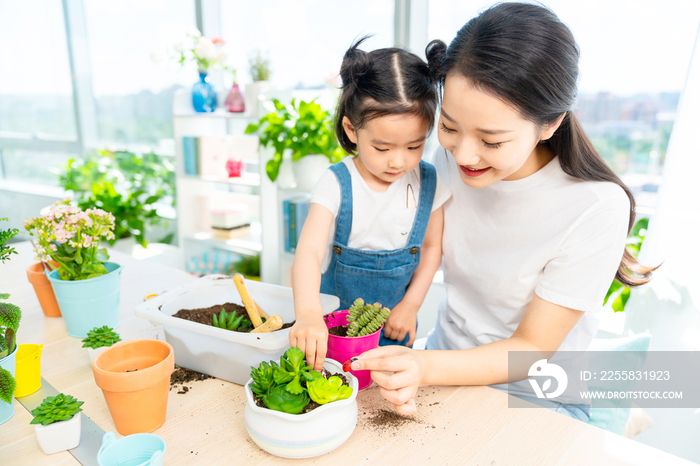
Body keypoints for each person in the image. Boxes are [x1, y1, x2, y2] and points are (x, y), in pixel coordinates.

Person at [349, 3, 657, 419]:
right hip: (441, 370)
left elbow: (532, 349)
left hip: (533, 398)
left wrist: (423, 365)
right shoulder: (448, 161)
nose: (465, 153)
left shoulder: (596, 206)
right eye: (450, 126)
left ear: (550, 124)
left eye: (492, 141)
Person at [289, 37, 451, 371]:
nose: (398, 162)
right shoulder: (336, 183)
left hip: (396, 326)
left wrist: (410, 306)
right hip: (332, 331)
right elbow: (308, 252)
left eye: (413, 146)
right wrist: (307, 314)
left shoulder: (430, 181)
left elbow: (433, 249)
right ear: (351, 130)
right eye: (382, 148)